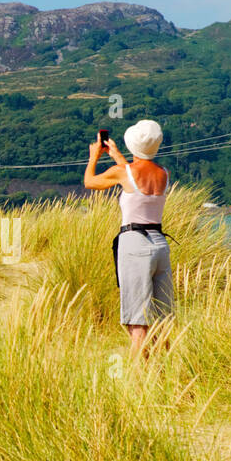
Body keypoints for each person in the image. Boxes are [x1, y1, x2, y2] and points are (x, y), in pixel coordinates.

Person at [83, 119, 173, 355]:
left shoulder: (123, 172)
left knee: (138, 322)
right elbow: (134, 178)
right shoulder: (163, 173)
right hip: (160, 244)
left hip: (134, 244)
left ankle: (137, 383)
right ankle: (165, 375)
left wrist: (94, 156)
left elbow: (90, 182)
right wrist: (116, 155)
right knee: (162, 320)